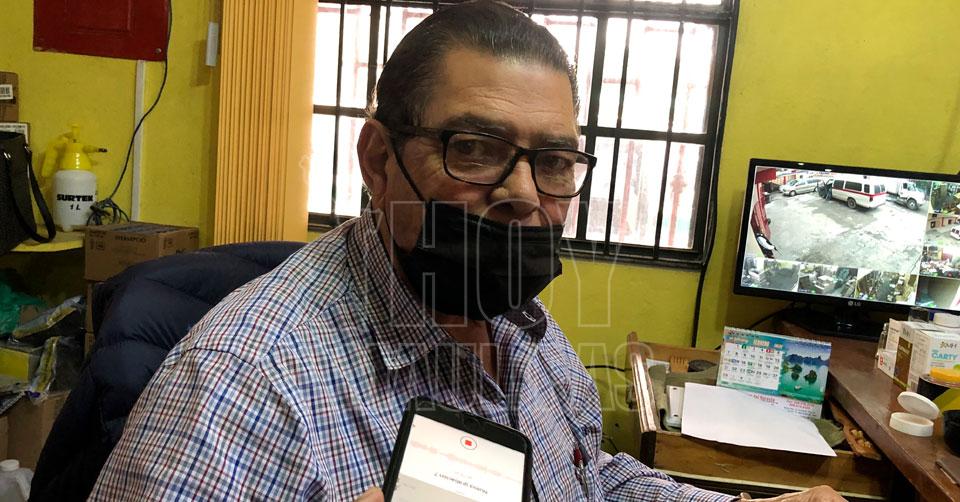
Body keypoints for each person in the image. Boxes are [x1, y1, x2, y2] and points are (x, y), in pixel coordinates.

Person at [91, 2, 845, 501]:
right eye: (475, 148)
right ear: (378, 161)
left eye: (554, 161)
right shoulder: (243, 388)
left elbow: (589, 479)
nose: (522, 193)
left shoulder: (522, 326)